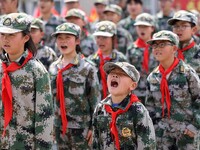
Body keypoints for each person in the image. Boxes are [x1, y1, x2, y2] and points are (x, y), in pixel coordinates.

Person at [0, 13, 53, 149]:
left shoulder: (37, 71)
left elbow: (44, 117)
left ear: (26, 37)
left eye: (11, 35)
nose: (5, 39)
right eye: (3, 34)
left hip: (24, 145)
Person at [49, 22, 101, 149]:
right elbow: (50, 99)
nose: (63, 41)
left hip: (81, 129)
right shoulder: (53, 68)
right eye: (60, 38)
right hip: (59, 128)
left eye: (68, 38)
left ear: (77, 41)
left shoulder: (88, 67)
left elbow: (95, 100)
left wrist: (94, 128)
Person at [146, 30, 200, 149]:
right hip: (162, 134)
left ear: (174, 49)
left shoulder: (187, 73)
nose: (157, 48)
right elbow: (150, 106)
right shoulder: (153, 77)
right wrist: (155, 128)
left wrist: (194, 127)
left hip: (186, 133)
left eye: (162, 45)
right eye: (154, 45)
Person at [92, 61, 156, 150]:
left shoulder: (138, 111)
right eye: (112, 73)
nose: (114, 75)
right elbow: (96, 143)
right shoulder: (100, 108)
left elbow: (147, 146)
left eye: (121, 74)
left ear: (132, 86)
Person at [88, 20, 127, 100]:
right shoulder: (90, 60)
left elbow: (126, 84)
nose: (101, 41)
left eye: (105, 37)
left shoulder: (120, 59)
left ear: (113, 39)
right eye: (98, 37)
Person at [127, 12, 158, 104]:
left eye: (145, 27)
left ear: (152, 28)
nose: (142, 30)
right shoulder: (131, 49)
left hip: (155, 90)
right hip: (136, 91)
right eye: (139, 27)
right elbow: (127, 72)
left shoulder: (157, 47)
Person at [168, 10, 200, 77]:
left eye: (184, 26)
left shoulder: (198, 51)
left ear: (193, 30)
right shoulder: (167, 52)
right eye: (176, 26)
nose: (179, 29)